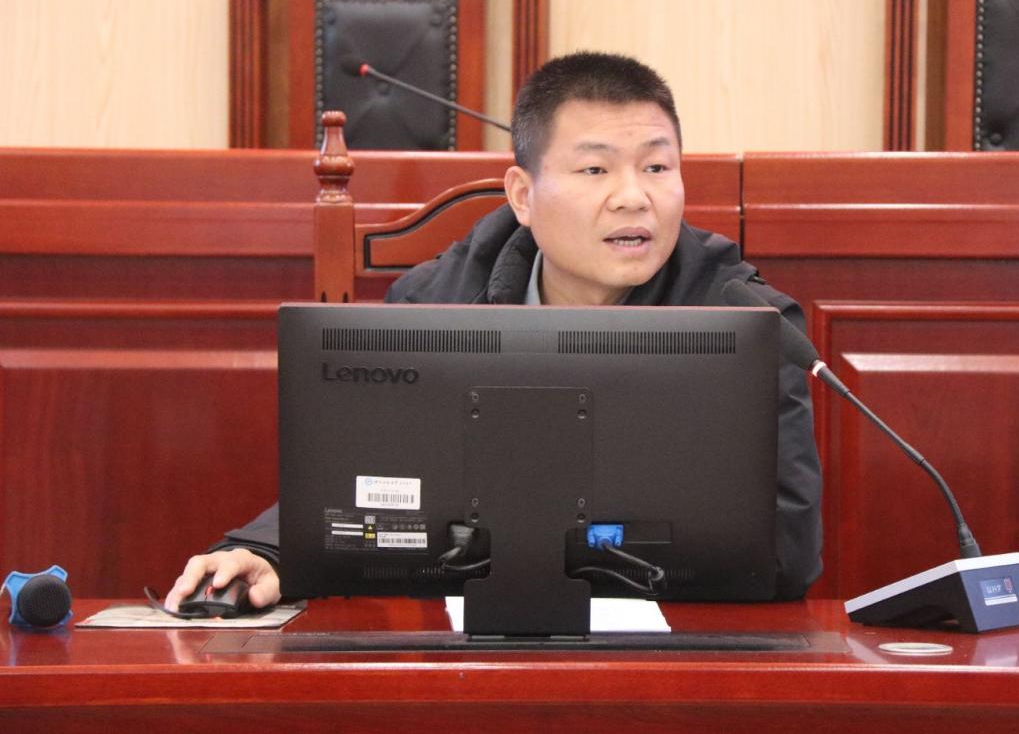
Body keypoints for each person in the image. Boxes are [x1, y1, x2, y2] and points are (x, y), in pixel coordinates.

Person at [165, 52, 823, 609]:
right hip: (466, 648)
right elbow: (361, 480)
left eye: (657, 167)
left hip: (677, 651)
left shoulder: (746, 319)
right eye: (595, 170)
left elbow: (787, 551)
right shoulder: (434, 305)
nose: (633, 197)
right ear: (522, 196)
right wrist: (268, 550)